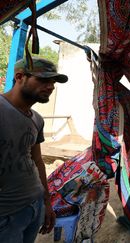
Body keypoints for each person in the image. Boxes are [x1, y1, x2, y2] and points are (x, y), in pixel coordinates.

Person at [0, 57, 68, 242]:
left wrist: (46, 202)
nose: (51, 86)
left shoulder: (37, 119)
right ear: (20, 76)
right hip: (6, 215)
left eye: (53, 82)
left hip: (34, 206)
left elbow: (37, 160)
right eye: (43, 80)